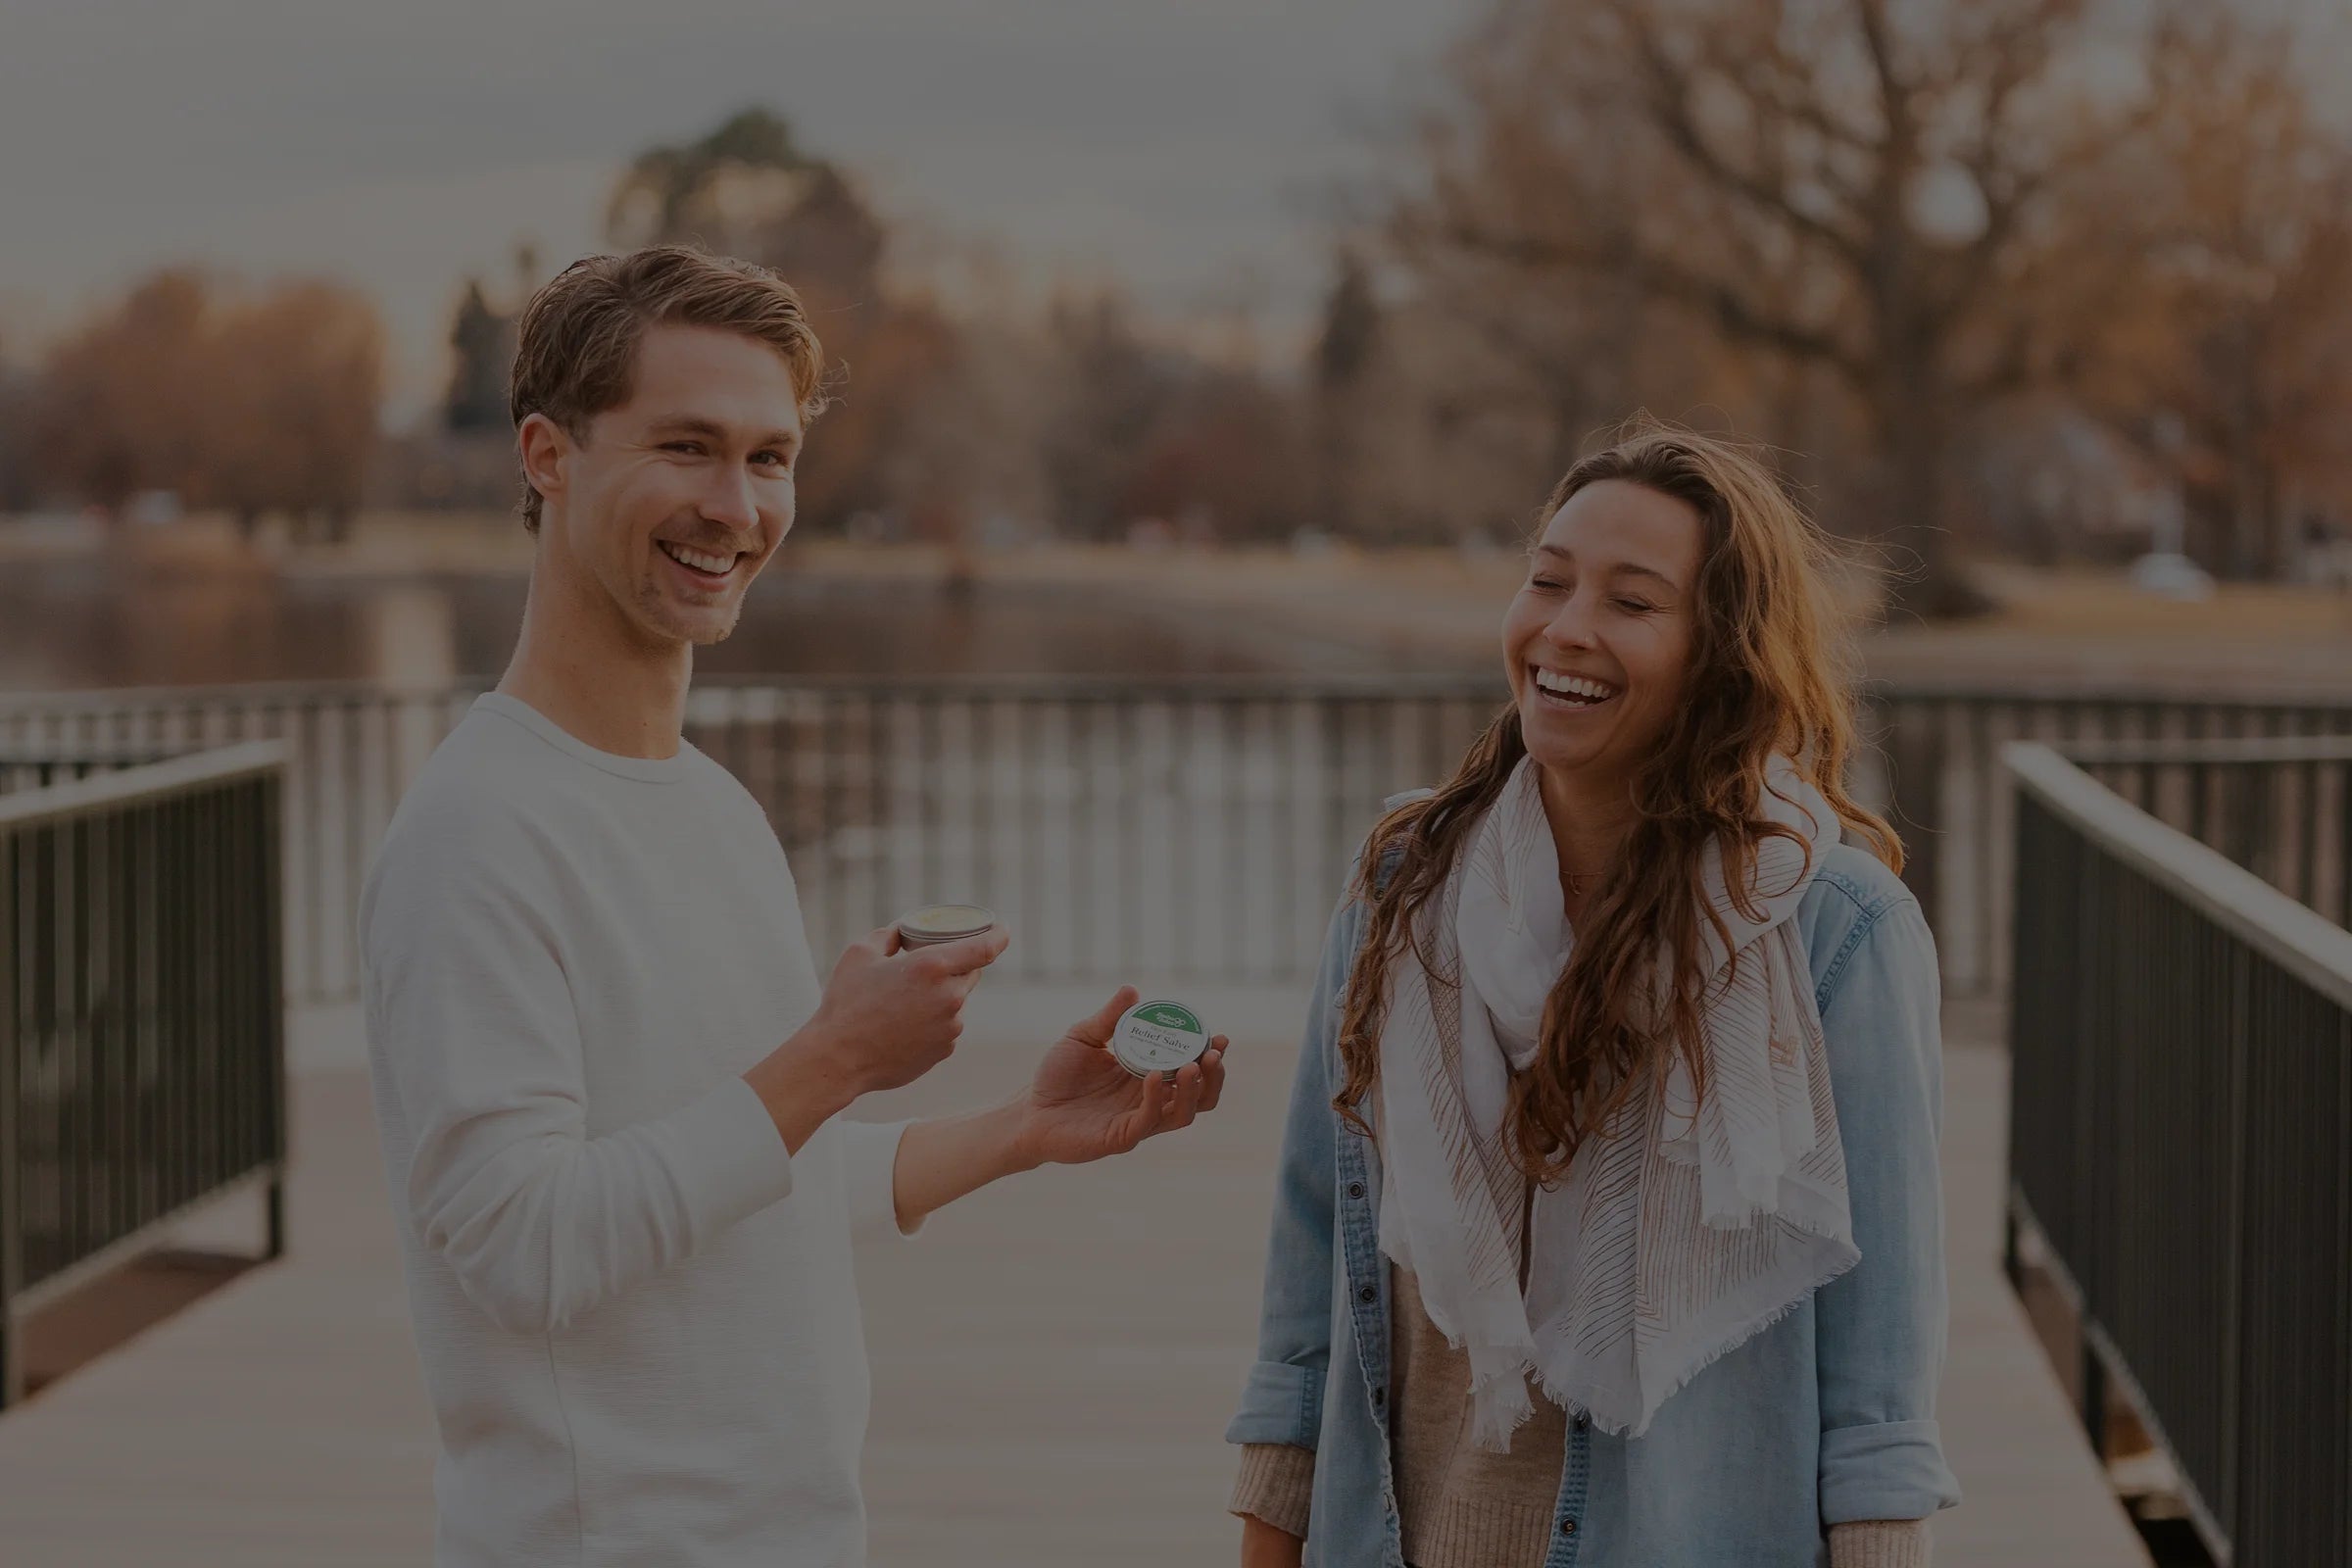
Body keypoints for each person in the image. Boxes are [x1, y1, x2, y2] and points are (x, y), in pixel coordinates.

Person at [359, 246, 1229, 1568]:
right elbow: (523, 1250)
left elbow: (740, 1187)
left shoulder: (711, 808)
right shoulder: (476, 837)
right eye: (688, 447)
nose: (735, 506)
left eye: (770, 459)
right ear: (546, 455)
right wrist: (833, 1057)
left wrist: (1023, 1129)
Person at [1226, 422, 1959, 1567]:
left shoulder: (1835, 931)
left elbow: (1879, 1388)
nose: (1566, 629)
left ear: (1722, 652)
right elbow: (1313, 1261)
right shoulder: (1402, 887)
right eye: (1548, 580)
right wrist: (1269, 1533)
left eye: (1631, 600)